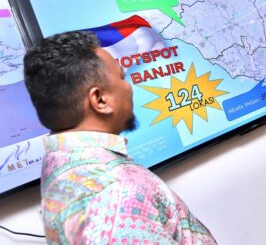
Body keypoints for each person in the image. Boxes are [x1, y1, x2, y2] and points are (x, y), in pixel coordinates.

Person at [24, 31, 217, 244]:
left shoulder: (60, 159)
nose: (129, 86)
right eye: (122, 77)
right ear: (100, 99)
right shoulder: (112, 192)